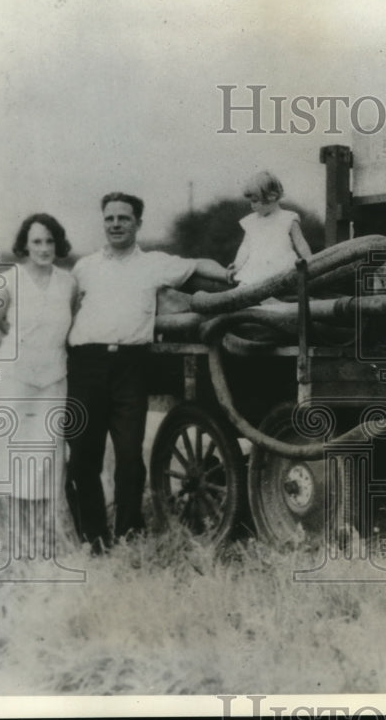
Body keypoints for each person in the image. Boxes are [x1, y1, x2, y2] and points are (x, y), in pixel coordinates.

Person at [65, 192, 229, 551]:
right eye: (109, 218)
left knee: (128, 456)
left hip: (130, 366)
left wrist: (233, 275)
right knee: (83, 457)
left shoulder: (154, 264)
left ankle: (128, 537)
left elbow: (199, 264)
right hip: (85, 365)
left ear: (138, 223)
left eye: (124, 218)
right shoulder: (85, 268)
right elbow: (64, 312)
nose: (116, 224)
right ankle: (93, 541)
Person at [0, 213, 77, 551]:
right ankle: (15, 536)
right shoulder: (9, 280)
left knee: (46, 454)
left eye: (50, 241)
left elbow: (72, 329)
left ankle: (42, 534)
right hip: (16, 380)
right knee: (12, 453)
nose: (44, 248)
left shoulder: (68, 283)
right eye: (37, 241)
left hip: (53, 378)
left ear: (58, 243)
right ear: (24, 245)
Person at [228, 171, 313, 288]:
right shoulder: (251, 221)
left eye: (255, 201)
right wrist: (237, 265)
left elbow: (300, 243)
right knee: (245, 288)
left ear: (271, 197)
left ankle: (275, 303)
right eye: (250, 201)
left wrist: (311, 262)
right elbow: (245, 246)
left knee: (279, 289)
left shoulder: (288, 218)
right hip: (257, 266)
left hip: (281, 266)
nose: (252, 205)